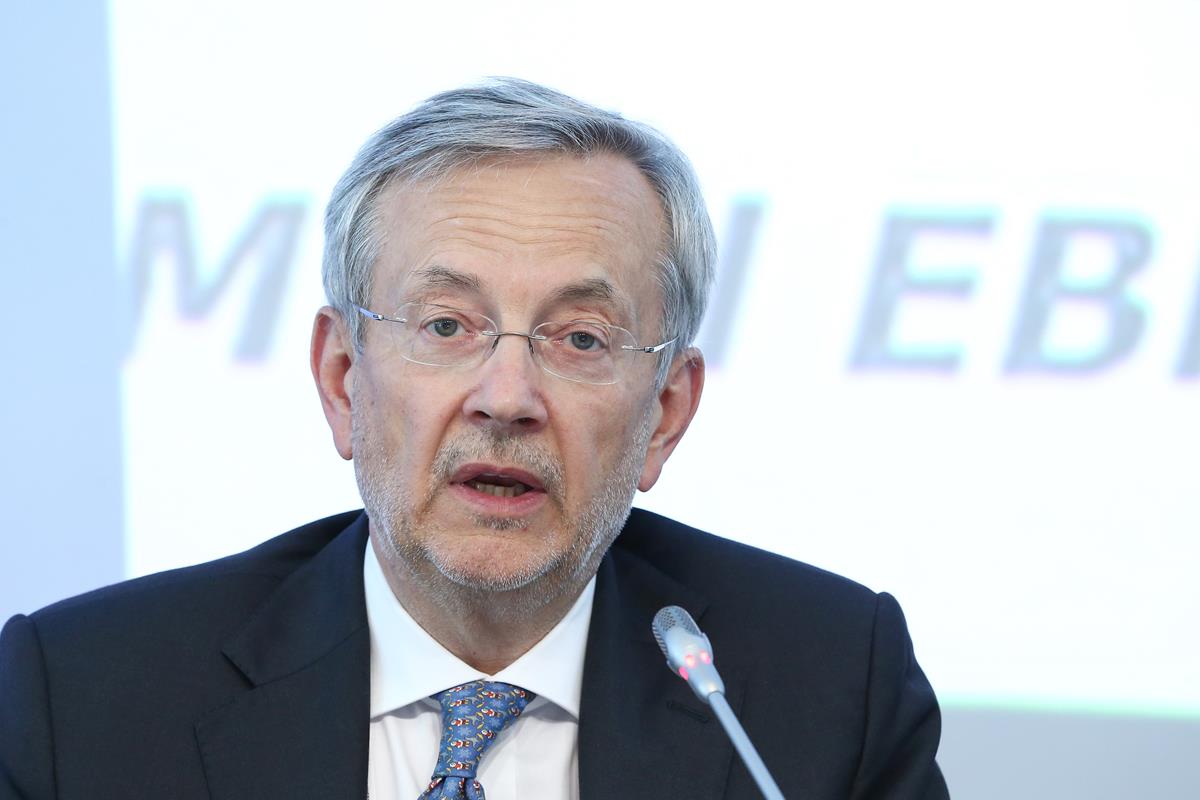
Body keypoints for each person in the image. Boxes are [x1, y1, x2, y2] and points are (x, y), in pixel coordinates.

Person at [0, 78, 949, 799]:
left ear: (665, 413)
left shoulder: (826, 693)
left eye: (581, 339)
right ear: (342, 377)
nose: (506, 398)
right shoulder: (82, 700)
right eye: (447, 325)